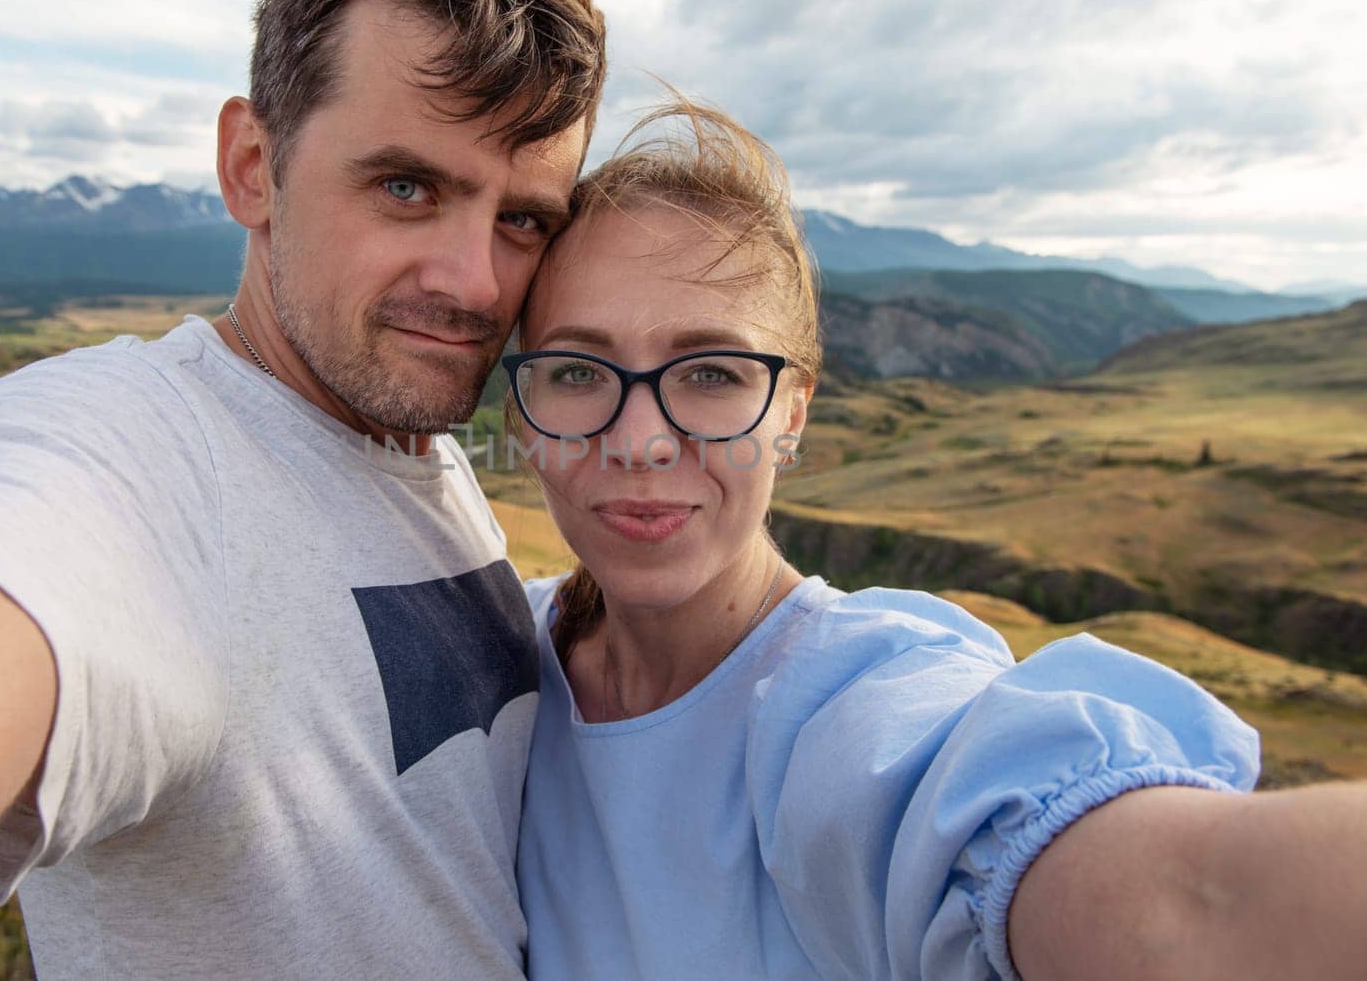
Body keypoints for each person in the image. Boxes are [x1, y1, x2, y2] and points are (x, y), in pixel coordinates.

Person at [0, 0, 605, 977]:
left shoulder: (395, 431)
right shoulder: (133, 458)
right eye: (406, 187)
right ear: (253, 166)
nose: (474, 282)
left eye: (521, 220)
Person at [506, 101, 1367, 980]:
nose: (642, 438)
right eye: (576, 370)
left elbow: (1187, 905)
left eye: (713, 374)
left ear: (793, 414)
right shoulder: (496, 657)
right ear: (521, 407)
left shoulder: (852, 706)